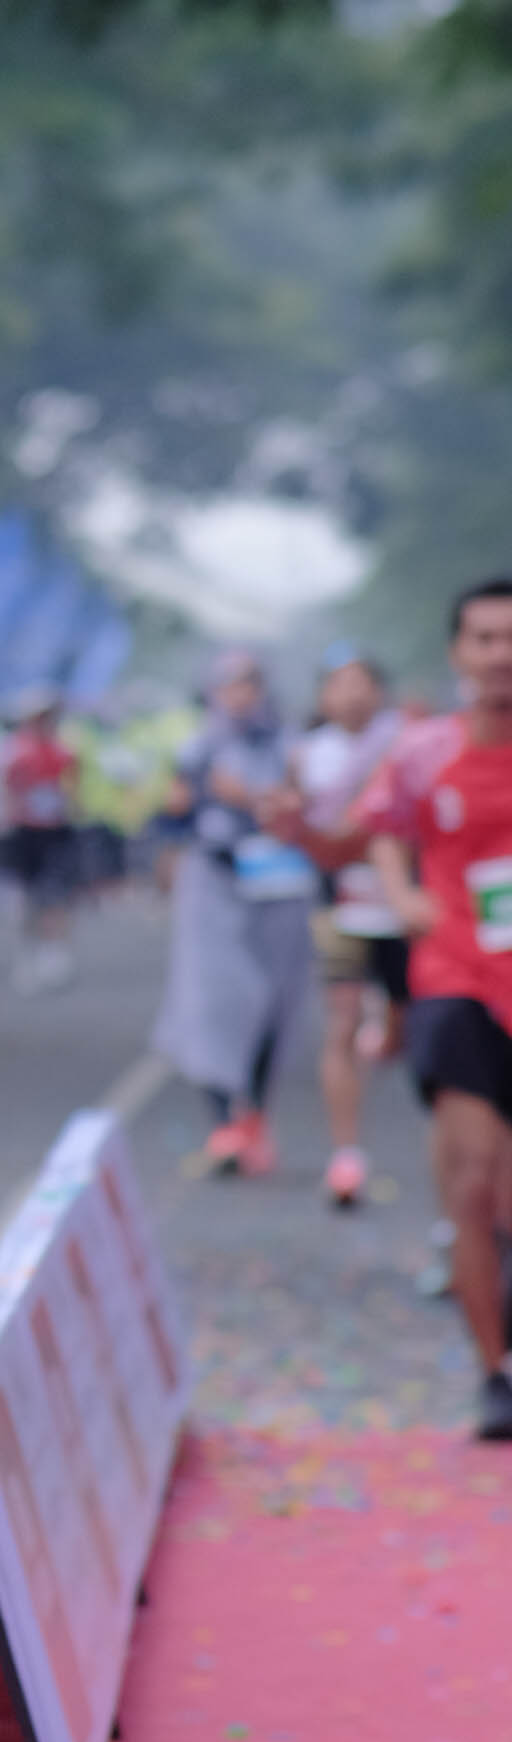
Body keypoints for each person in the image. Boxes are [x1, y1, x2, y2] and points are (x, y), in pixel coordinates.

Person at [347, 582, 512, 1439]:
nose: (500, 655)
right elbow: (379, 827)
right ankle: (495, 1375)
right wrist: (401, 891)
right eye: (484, 638)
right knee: (474, 1181)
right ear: (458, 653)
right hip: (456, 978)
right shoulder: (421, 751)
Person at [152, 651, 314, 1177]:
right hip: (213, 882)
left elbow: (305, 804)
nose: (240, 695)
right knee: (210, 1000)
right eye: (229, 685)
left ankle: (255, 1116)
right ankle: (222, 1120)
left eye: (249, 683)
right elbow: (173, 811)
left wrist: (251, 797)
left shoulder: (288, 745)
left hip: (278, 883)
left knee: (273, 1002)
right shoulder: (197, 747)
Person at [289, 649, 408, 1208]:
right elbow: (299, 830)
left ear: (379, 692)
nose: (353, 694)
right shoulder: (306, 754)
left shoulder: (407, 744)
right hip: (340, 908)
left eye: (362, 683)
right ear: (323, 697)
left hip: (404, 908)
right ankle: (346, 1155)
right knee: (340, 1023)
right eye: (340, 684)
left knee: (410, 1030)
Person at [0, 687, 82, 992]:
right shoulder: (13, 751)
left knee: (56, 893)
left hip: (55, 830)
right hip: (24, 831)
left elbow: (72, 787)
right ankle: (28, 954)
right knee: (26, 896)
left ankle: (55, 952)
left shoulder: (63, 750)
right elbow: (5, 789)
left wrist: (72, 809)